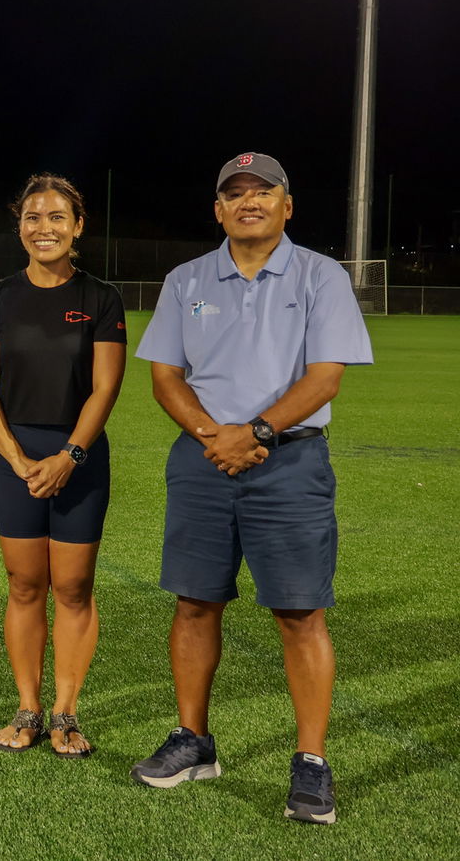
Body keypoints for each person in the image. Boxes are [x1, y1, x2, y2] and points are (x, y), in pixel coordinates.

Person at [130, 152, 372, 824]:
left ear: (287, 205)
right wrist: (217, 435)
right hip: (204, 461)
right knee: (194, 603)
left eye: (262, 191)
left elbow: (325, 377)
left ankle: (312, 764)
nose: (249, 201)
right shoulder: (186, 280)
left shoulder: (321, 276)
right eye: (234, 194)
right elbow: (165, 376)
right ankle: (193, 740)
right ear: (218, 210)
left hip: (290, 463)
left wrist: (257, 432)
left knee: (299, 613)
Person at [0, 174, 125, 757]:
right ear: (20, 227)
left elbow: (105, 389)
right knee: (25, 585)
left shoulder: (100, 298)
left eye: (57, 217)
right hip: (17, 457)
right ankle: (28, 709)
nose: (44, 228)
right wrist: (19, 460)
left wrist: (69, 457)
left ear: (77, 226)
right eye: (33, 217)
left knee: (74, 586)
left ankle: (66, 712)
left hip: (79, 456)